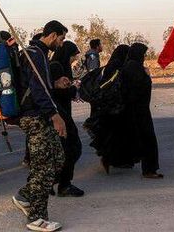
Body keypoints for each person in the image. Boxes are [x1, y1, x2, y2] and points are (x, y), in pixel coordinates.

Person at [12, 20, 68, 232]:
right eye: (61, 39)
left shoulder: (38, 53)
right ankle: (36, 218)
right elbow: (37, 89)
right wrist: (55, 115)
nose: (61, 44)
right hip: (36, 117)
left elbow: (37, 86)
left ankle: (25, 195)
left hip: (38, 114)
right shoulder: (35, 54)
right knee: (43, 168)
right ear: (53, 35)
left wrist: (54, 84)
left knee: (58, 160)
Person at [85, 44, 137, 173]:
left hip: (106, 106)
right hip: (113, 106)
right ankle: (111, 159)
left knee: (112, 134)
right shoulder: (118, 67)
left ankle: (116, 160)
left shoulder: (109, 66)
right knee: (115, 134)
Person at [122, 43, 163, 179]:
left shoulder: (129, 66)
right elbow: (140, 87)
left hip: (134, 108)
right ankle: (149, 170)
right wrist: (147, 76)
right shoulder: (135, 68)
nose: (144, 57)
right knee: (148, 140)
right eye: (143, 54)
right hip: (139, 110)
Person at [50, 40, 84, 196]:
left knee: (65, 150)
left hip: (61, 113)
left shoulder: (60, 66)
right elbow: (56, 91)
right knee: (71, 148)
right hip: (59, 115)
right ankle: (62, 184)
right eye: (72, 56)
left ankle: (56, 182)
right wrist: (72, 89)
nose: (73, 60)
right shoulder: (56, 67)